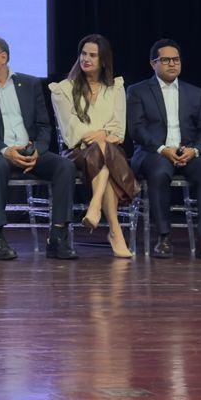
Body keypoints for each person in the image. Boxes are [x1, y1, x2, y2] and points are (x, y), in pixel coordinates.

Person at [0, 36, 77, 260]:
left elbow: (43, 126)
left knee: (64, 166)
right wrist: (4, 150)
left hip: (30, 151)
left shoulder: (30, 84)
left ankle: (58, 236)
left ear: (3, 57)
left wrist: (37, 148)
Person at [125, 39, 201, 260]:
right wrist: (162, 149)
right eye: (166, 60)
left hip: (187, 151)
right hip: (152, 152)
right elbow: (137, 129)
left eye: (176, 60)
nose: (172, 64)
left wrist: (195, 150)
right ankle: (164, 237)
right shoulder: (137, 91)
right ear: (153, 64)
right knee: (159, 172)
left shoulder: (195, 93)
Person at [50, 34, 136, 259]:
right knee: (102, 152)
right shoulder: (63, 89)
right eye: (84, 54)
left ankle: (96, 206)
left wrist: (104, 136)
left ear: (104, 60)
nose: (86, 59)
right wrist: (101, 135)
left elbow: (119, 129)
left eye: (93, 55)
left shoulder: (115, 88)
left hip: (107, 151)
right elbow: (71, 129)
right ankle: (114, 229)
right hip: (77, 151)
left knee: (102, 156)